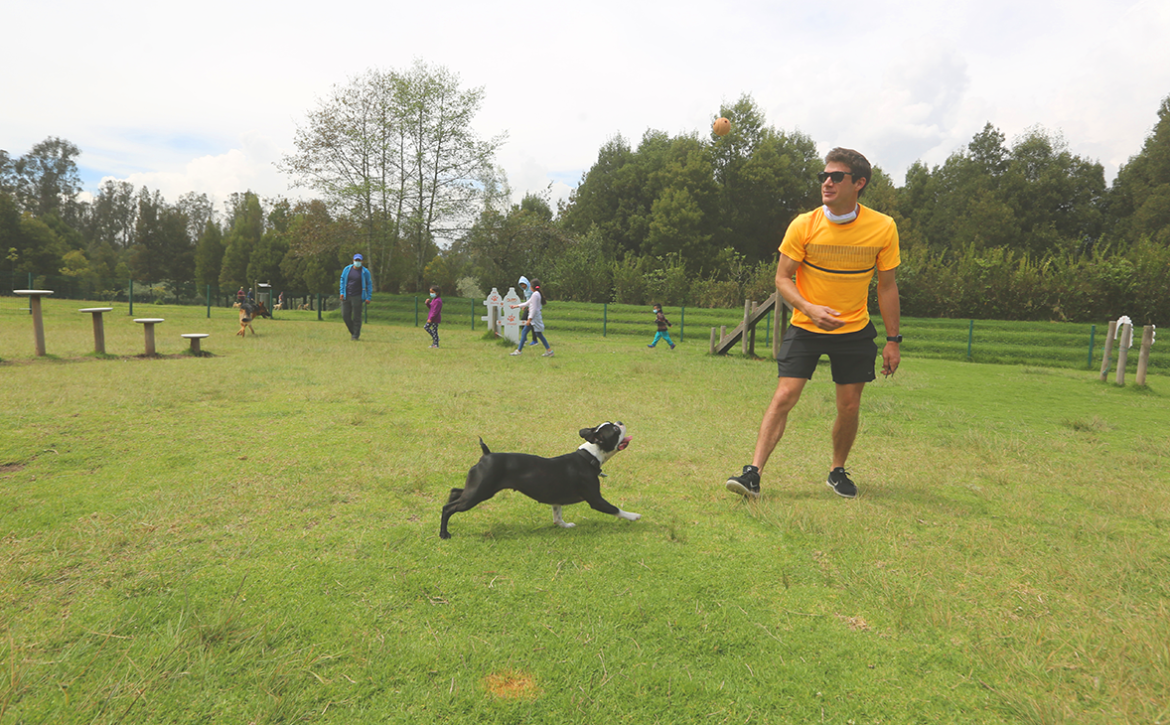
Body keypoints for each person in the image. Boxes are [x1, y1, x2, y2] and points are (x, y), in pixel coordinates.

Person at [725, 148, 901, 500]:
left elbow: (887, 285)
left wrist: (893, 340)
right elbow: (782, 279)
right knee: (785, 395)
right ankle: (752, 474)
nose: (827, 182)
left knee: (849, 405)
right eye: (824, 176)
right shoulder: (803, 224)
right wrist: (809, 307)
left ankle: (837, 471)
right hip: (806, 326)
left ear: (859, 183)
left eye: (837, 176)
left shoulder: (883, 227)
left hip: (854, 330)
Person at [509, 278, 553, 357]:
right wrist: (516, 306)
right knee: (537, 334)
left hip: (534, 319)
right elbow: (527, 303)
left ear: (532, 286)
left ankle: (519, 350)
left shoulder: (535, 295)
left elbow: (534, 308)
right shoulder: (535, 294)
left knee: (527, 333)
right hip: (535, 318)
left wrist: (529, 319)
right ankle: (549, 351)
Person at [338, 253, 372, 340]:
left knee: (357, 316)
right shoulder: (347, 269)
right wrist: (341, 292)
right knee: (345, 315)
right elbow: (342, 280)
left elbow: (369, 284)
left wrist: (368, 297)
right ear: (353, 261)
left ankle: (355, 336)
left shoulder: (365, 272)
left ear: (362, 261)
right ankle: (354, 331)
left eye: (359, 260)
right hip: (346, 295)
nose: (357, 262)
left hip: (358, 296)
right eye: (356, 260)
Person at [517, 275, 538, 345]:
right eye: (521, 285)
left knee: (532, 324)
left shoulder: (531, 289)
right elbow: (527, 299)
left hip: (533, 308)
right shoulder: (525, 290)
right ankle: (524, 339)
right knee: (523, 321)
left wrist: (531, 306)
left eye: (523, 284)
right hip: (528, 307)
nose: (523, 286)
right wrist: (525, 306)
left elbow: (534, 298)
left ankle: (535, 340)